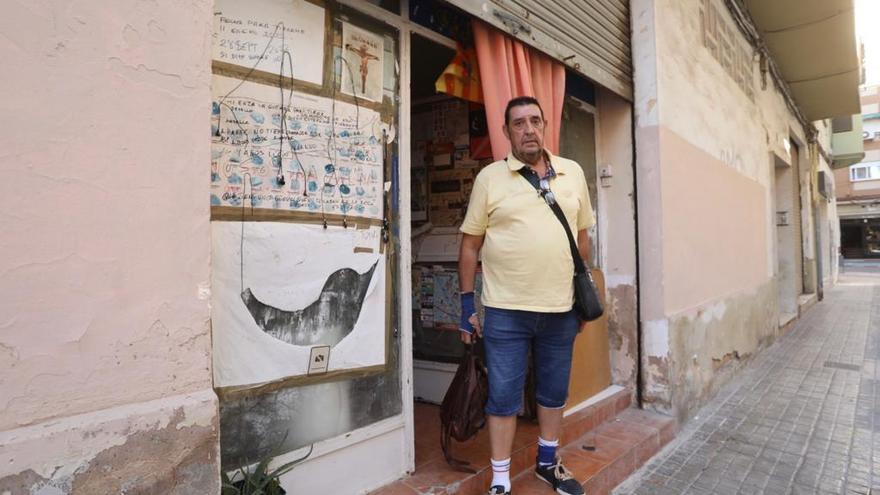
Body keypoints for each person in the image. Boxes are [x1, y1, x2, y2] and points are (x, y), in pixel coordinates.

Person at [458, 96, 594, 495]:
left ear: (545, 124)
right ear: (506, 132)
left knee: (553, 393)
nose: (528, 129)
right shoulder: (490, 179)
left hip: (560, 308)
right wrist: (468, 304)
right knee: (502, 397)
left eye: (535, 120)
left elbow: (582, 238)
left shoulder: (572, 173)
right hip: (505, 311)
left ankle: (548, 465)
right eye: (518, 123)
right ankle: (500, 478)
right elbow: (469, 246)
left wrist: (580, 292)